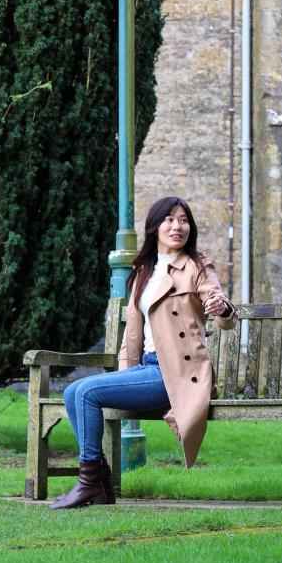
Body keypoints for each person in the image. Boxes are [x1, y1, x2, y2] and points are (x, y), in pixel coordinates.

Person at [51, 197, 236, 509]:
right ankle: (100, 483)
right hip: (147, 368)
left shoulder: (197, 267)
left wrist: (222, 308)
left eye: (184, 220)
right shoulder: (142, 272)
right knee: (73, 392)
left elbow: (222, 307)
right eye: (169, 220)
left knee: (84, 394)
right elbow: (131, 337)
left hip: (177, 373)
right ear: (155, 226)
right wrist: (124, 376)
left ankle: (88, 484)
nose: (177, 226)